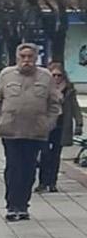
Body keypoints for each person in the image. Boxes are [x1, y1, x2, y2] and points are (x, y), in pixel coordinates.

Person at [0, 43, 63, 221]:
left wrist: (48, 123)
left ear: (36, 58)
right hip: (11, 131)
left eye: (30, 57)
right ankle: (12, 205)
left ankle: (23, 206)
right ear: (17, 58)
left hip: (35, 132)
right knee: (13, 168)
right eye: (23, 57)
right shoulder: (6, 75)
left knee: (29, 169)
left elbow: (54, 104)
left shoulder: (45, 76)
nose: (26, 60)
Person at [38, 58, 80, 193]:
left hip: (61, 126)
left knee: (55, 155)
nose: (56, 78)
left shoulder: (68, 90)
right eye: (53, 75)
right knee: (44, 154)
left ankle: (52, 182)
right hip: (46, 126)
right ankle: (42, 182)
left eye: (59, 75)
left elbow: (75, 107)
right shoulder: (43, 88)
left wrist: (79, 123)